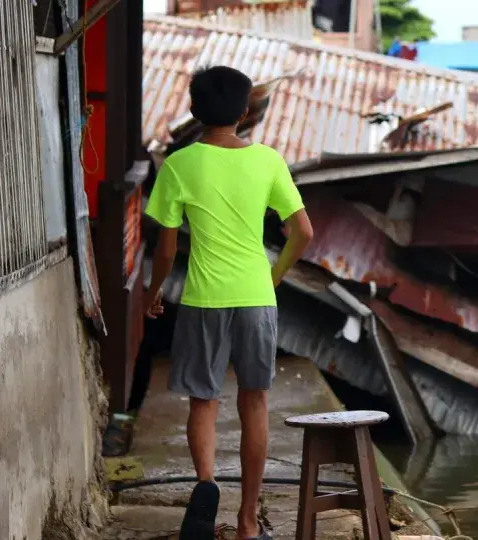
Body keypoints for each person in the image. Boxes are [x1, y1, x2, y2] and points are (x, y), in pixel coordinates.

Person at [142, 65, 314, 540]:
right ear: (244, 112)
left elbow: (166, 247)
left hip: (203, 299)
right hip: (257, 296)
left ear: (194, 110)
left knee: (205, 401)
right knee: (255, 403)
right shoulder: (268, 160)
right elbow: (303, 231)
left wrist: (154, 291)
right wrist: (274, 277)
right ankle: (246, 521)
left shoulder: (179, 164)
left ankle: (206, 488)